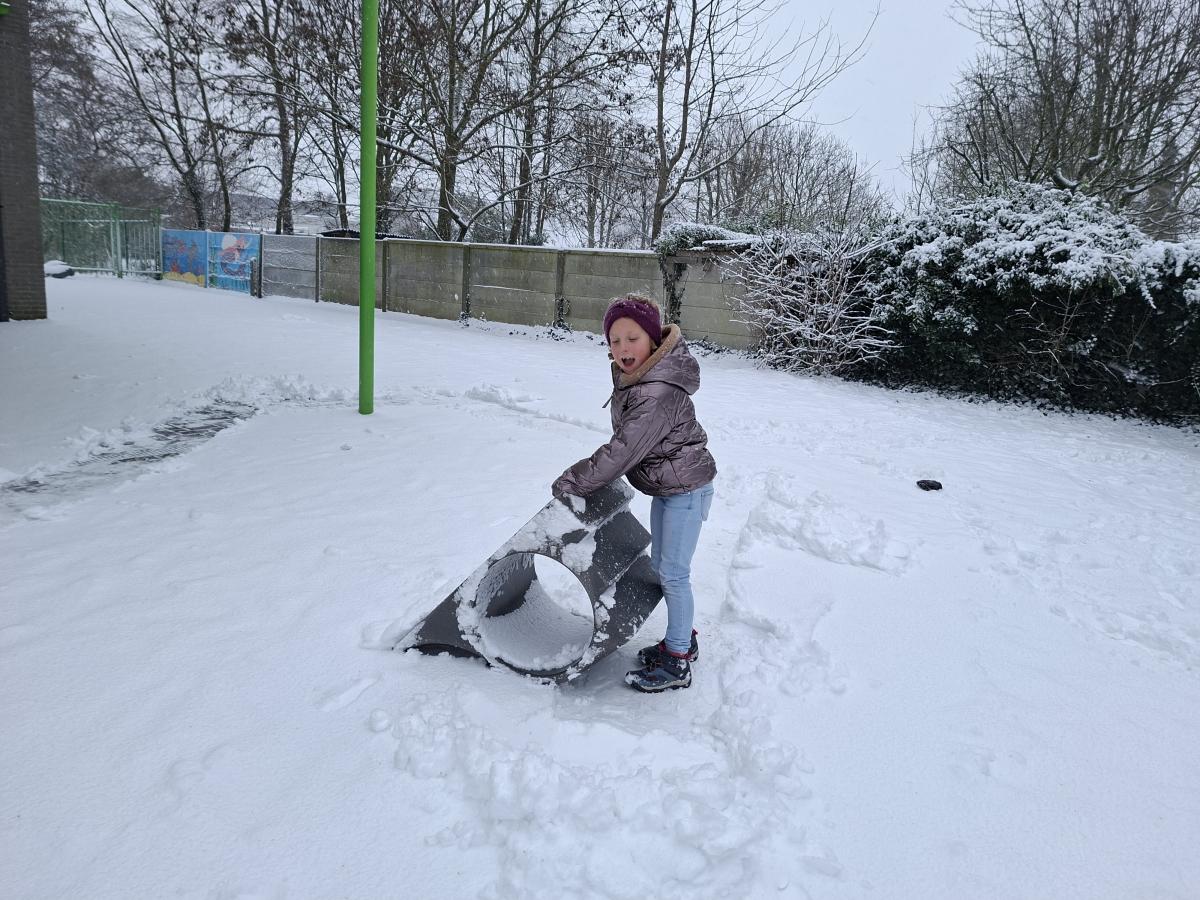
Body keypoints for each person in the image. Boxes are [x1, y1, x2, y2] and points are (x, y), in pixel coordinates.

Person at [553, 295, 717, 692]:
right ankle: (682, 639)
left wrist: (574, 480)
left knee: (674, 574)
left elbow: (623, 450)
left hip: (686, 491)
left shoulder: (656, 392)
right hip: (672, 488)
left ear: (653, 340)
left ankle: (677, 660)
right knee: (663, 568)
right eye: (615, 340)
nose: (623, 348)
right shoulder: (641, 378)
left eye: (633, 338)